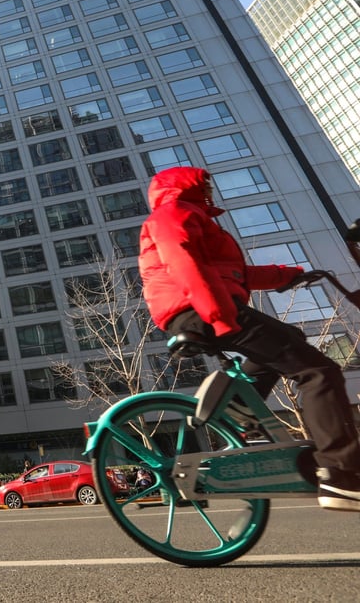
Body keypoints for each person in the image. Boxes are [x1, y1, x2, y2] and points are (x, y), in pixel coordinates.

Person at [139, 165, 360, 511]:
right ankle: (340, 474)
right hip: (200, 306)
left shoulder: (194, 216)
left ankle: (240, 404)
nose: (210, 190)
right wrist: (219, 316)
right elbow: (182, 260)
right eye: (204, 184)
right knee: (318, 372)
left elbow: (235, 274)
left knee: (290, 337)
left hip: (204, 304)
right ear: (184, 186)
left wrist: (291, 275)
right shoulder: (173, 213)